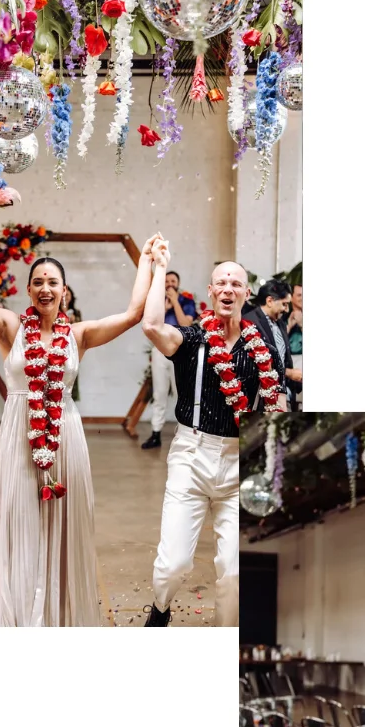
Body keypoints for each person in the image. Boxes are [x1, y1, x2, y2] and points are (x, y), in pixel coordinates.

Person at [0, 232, 160, 627]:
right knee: (21, 520)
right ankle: (24, 616)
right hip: (19, 435)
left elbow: (132, 314)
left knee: (64, 522)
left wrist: (147, 262)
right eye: (37, 281)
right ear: (28, 289)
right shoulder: (9, 326)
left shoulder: (79, 335)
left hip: (65, 434)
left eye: (52, 282)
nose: (45, 288)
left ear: (64, 291)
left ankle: (60, 616)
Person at [140, 242, 286, 627]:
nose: (227, 289)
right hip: (191, 454)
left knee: (235, 570)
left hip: (240, 461)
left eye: (235, 284)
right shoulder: (191, 340)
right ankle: (160, 607)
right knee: (174, 564)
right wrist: (159, 271)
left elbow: (275, 403)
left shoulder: (263, 350)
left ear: (246, 294)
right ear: (210, 292)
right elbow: (152, 326)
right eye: (220, 282)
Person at [140, 269, 197, 451]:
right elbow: (151, 325)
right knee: (159, 393)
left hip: (181, 350)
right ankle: (156, 433)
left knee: (182, 392)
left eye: (173, 281)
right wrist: (163, 308)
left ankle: (185, 434)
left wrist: (174, 302)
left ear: (178, 283)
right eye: (166, 281)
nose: (169, 284)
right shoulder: (156, 301)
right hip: (160, 350)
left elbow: (186, 324)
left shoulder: (186, 301)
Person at [245, 278, 302, 412]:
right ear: (270, 301)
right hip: (261, 395)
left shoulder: (280, 323)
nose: (286, 309)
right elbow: (252, 361)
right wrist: (288, 373)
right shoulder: (250, 322)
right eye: (284, 304)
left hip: (284, 392)